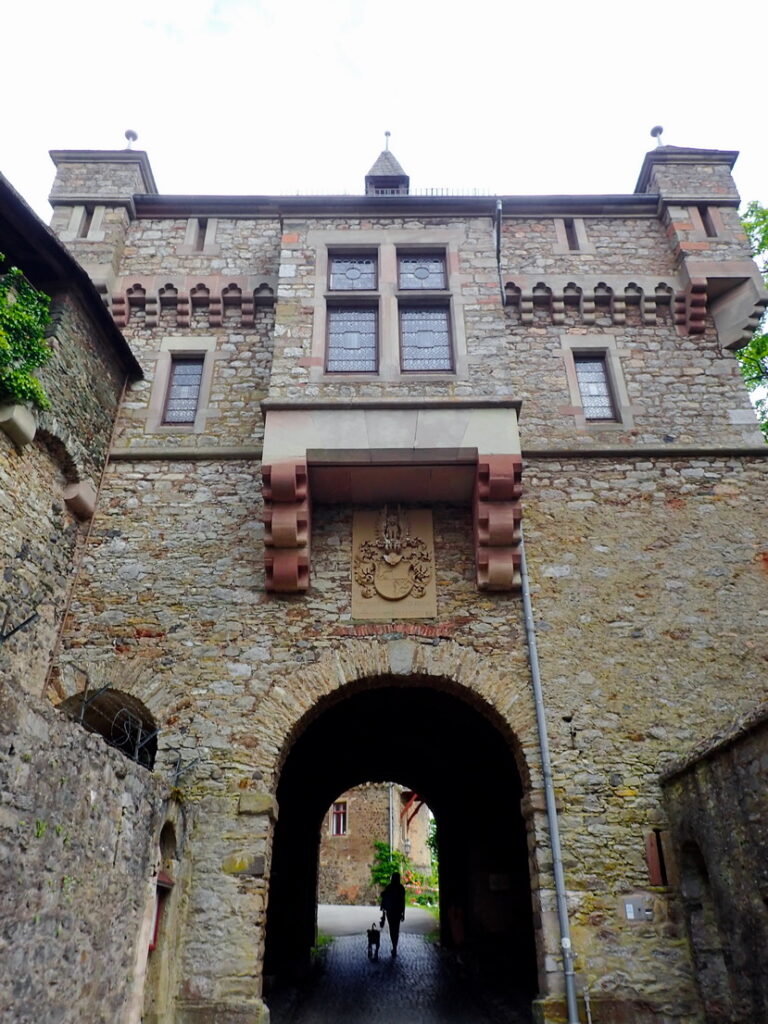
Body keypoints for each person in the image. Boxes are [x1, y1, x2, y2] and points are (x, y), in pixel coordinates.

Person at [379, 871, 406, 956]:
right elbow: (403, 902)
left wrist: (383, 912)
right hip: (397, 912)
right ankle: (395, 946)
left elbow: (384, 899)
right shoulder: (401, 888)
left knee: (392, 929)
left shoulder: (389, 887)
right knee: (396, 929)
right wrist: (403, 913)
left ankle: (394, 946)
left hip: (390, 911)